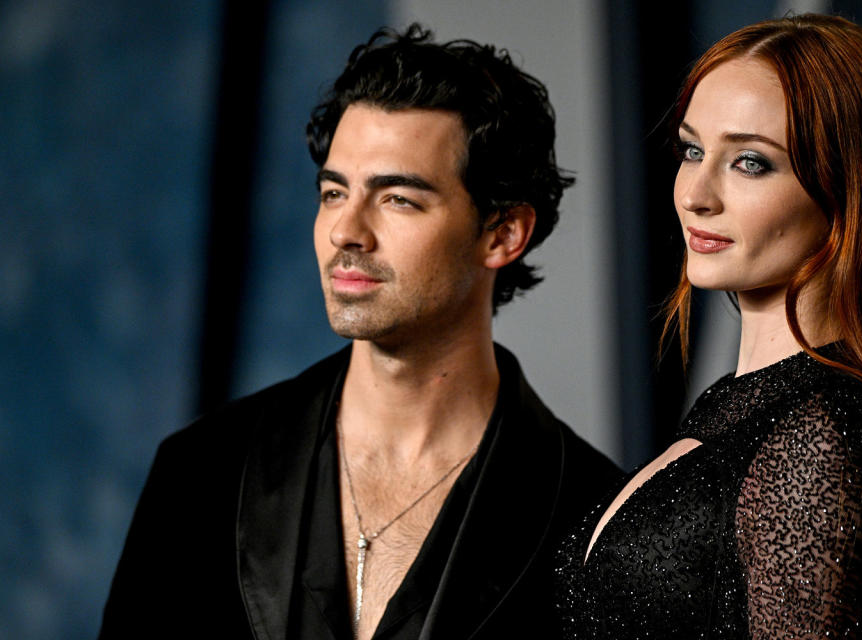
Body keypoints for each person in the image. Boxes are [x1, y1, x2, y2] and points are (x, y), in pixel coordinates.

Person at [99, 25, 622, 640]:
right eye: (333, 192)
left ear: (503, 233)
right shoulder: (200, 473)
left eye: (397, 198)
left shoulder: (599, 522)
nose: (346, 230)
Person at [556, 14, 862, 640]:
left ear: (846, 192)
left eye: (750, 162)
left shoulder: (816, 434)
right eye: (693, 150)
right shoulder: (746, 408)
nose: (695, 194)